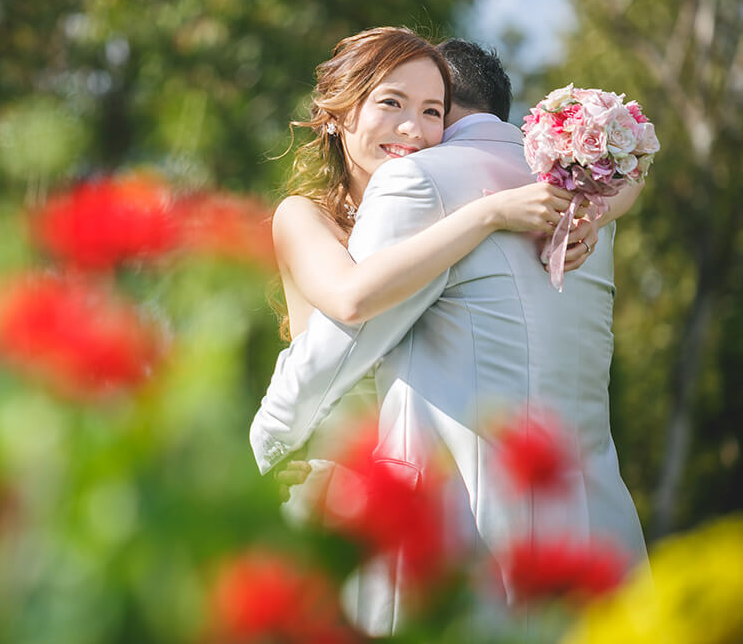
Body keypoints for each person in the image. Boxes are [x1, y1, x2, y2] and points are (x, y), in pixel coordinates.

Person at [251, 33, 647, 634]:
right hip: (344, 489)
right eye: (391, 103)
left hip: (460, 517)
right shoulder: (307, 215)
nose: (413, 130)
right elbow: (348, 313)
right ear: (338, 115)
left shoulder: (534, 204)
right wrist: (270, 452)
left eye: (431, 111)